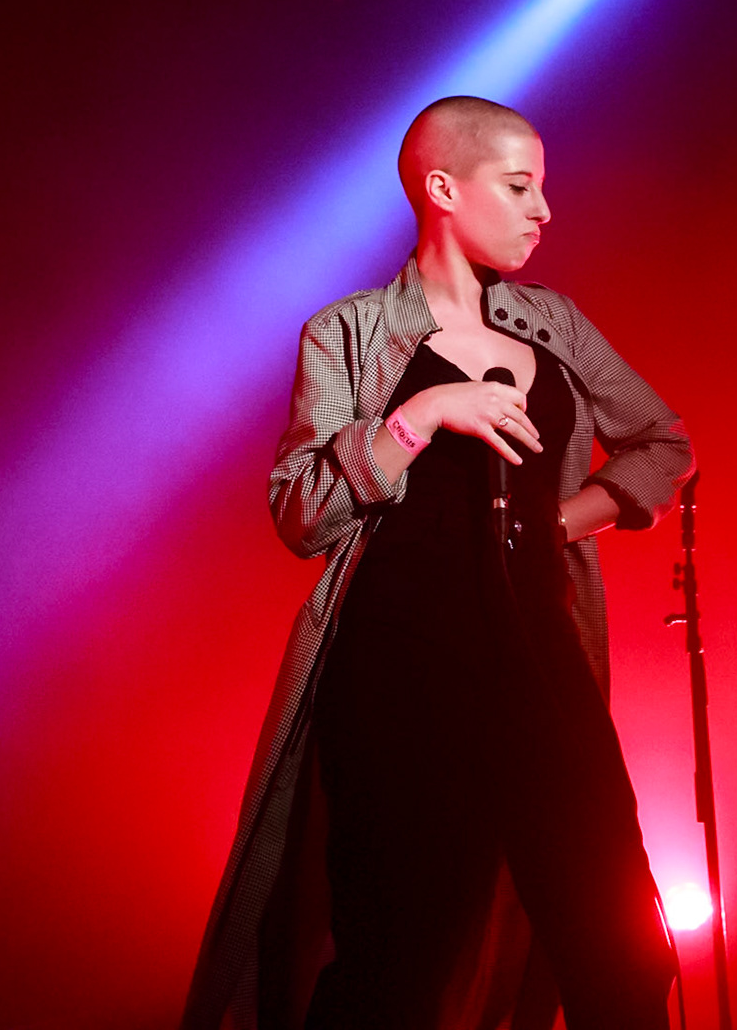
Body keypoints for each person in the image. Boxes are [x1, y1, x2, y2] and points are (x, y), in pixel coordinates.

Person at [180, 96, 693, 1030]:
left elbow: (663, 443)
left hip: (542, 662)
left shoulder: (554, 324)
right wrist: (421, 416)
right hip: (399, 670)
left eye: (542, 188)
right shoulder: (347, 332)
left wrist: (556, 523)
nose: (544, 210)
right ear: (444, 189)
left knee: (618, 941)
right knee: (397, 952)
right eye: (520, 186)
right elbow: (302, 513)